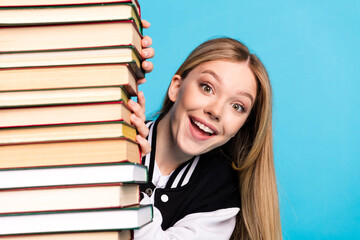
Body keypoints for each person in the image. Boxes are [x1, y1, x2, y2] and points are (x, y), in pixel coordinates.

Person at [128, 37, 282, 239]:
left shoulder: (220, 192)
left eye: (237, 106)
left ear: (241, 127)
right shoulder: (111, 141)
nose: (215, 111)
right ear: (176, 87)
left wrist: (131, 173)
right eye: (207, 88)